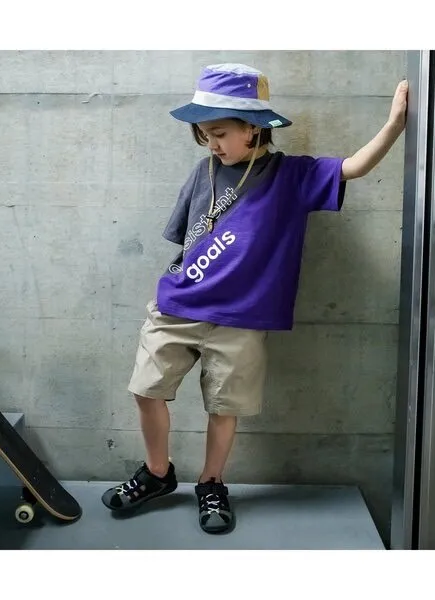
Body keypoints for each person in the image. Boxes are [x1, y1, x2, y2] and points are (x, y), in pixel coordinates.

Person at [102, 63, 408, 534]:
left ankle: (211, 483)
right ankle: (158, 473)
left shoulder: (293, 175)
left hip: (241, 318)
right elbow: (186, 240)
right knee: (146, 390)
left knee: (224, 407)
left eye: (220, 133)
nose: (212, 144)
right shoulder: (202, 172)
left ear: (253, 127)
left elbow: (354, 167)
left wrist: (394, 125)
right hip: (177, 306)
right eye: (204, 134)